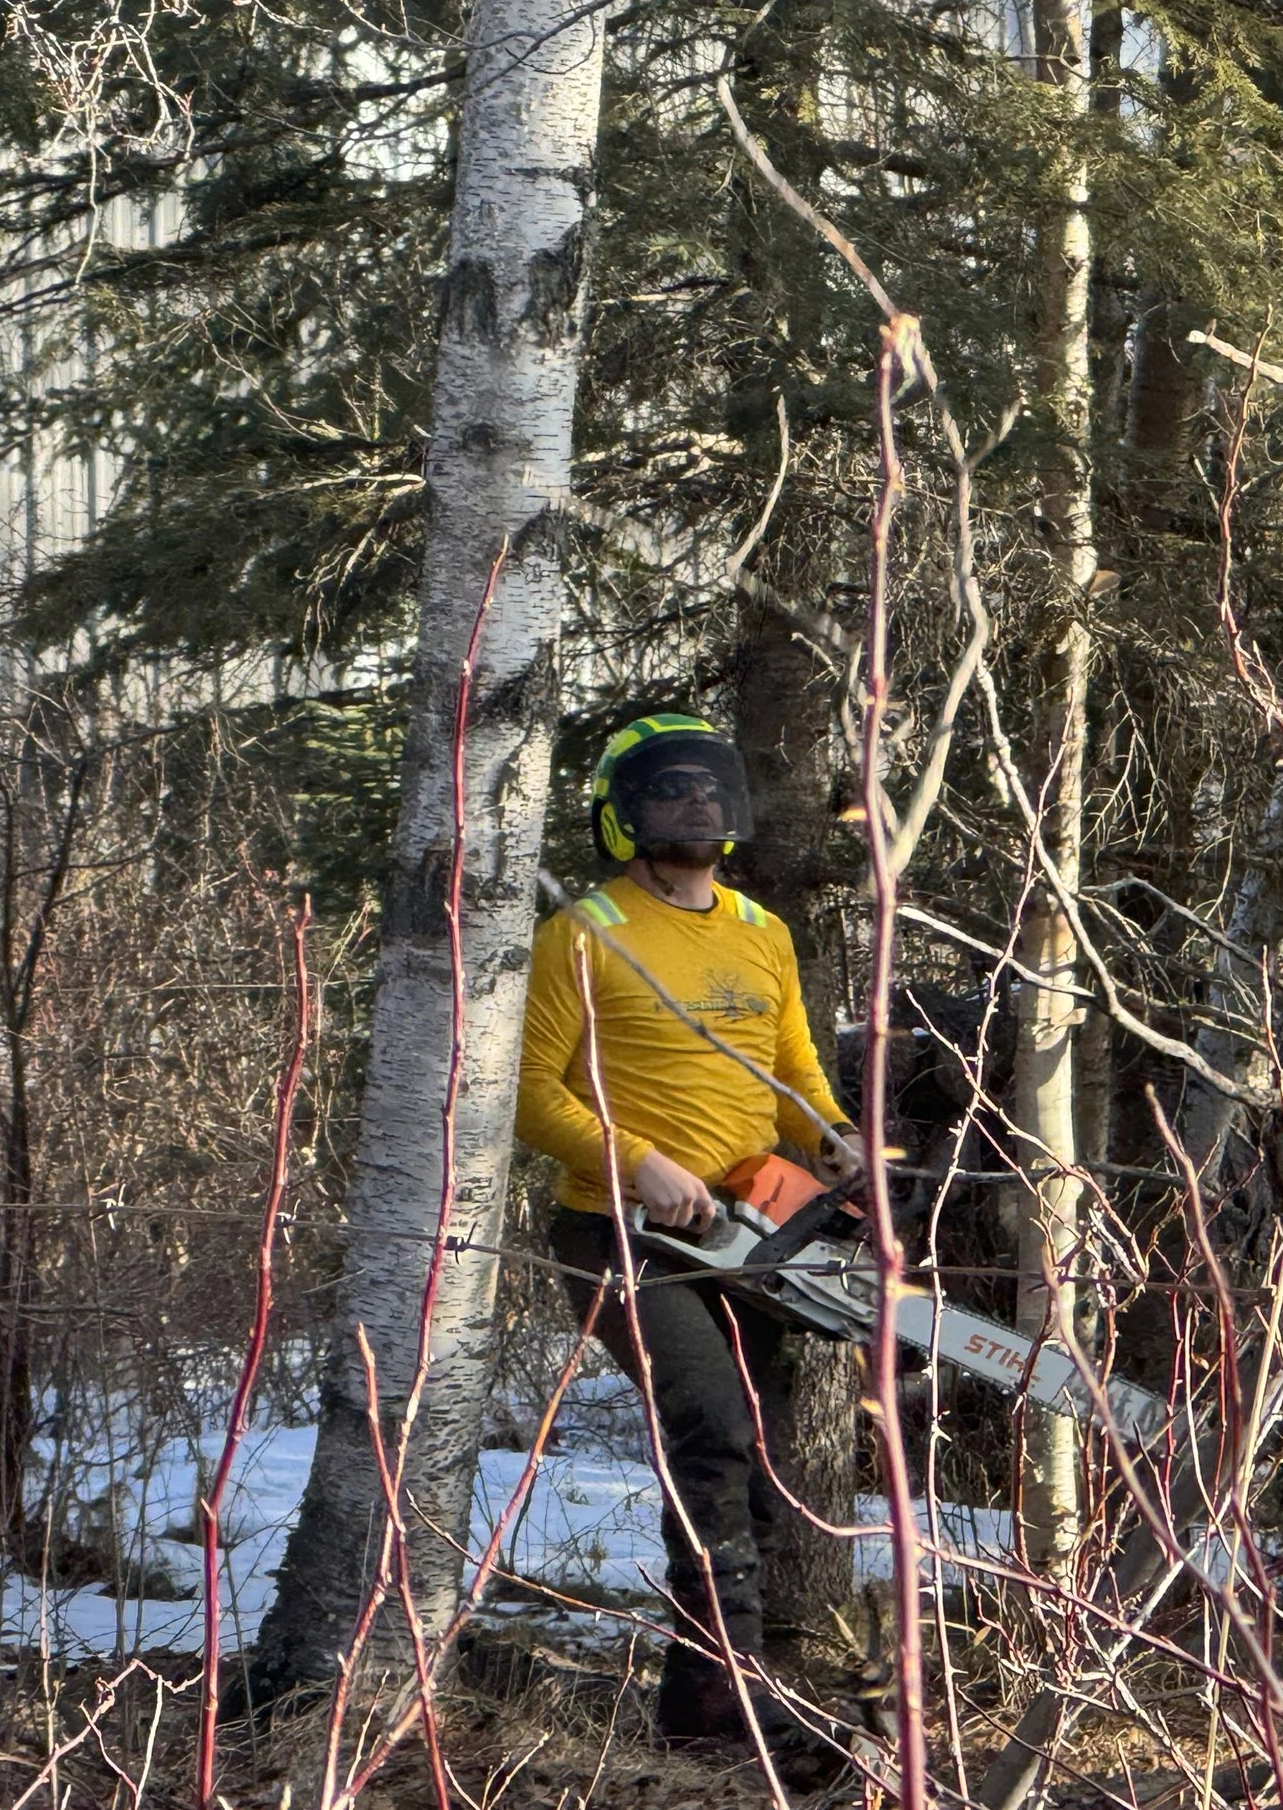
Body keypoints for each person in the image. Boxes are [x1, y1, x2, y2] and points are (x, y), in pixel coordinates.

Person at [514, 713, 857, 1774]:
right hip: (620, 1229)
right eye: (669, 792)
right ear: (624, 814)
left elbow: (790, 1069)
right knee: (708, 1423)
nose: (695, 806)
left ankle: (704, 1694)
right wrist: (636, 1161)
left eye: (709, 789)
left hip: (752, 1228)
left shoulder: (760, 928)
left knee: (744, 1444)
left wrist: (831, 1135)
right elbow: (527, 1091)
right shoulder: (586, 929)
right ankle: (731, 1708)